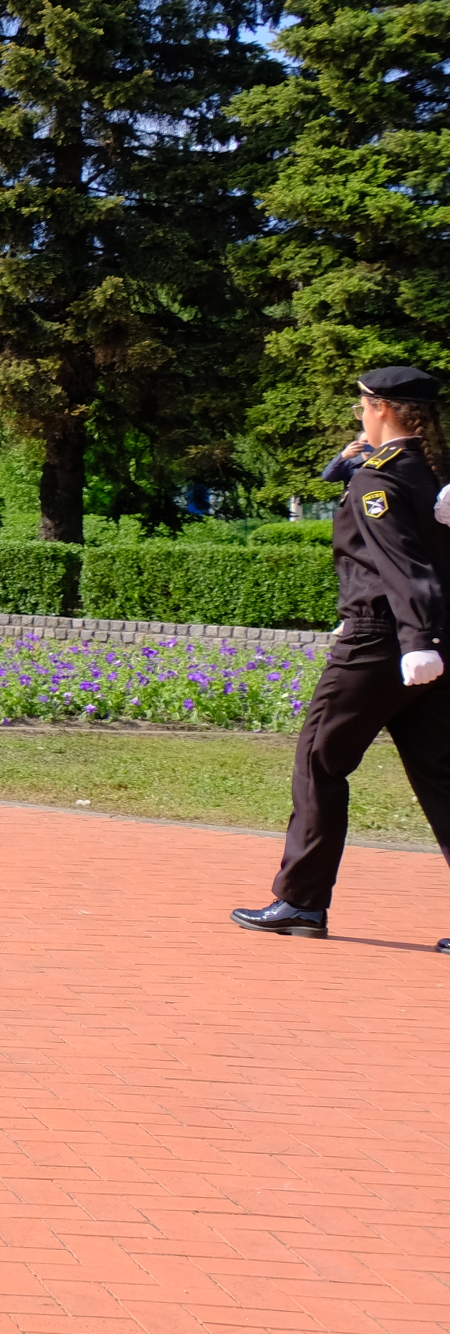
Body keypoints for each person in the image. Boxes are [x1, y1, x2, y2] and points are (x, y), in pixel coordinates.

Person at [234, 364, 450, 950]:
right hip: (428, 644)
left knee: (320, 762)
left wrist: (415, 640)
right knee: (442, 778)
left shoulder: (379, 479)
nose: (360, 413)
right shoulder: (430, 475)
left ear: (381, 407)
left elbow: (403, 564)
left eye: (362, 405)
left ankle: (301, 902)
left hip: (380, 643)